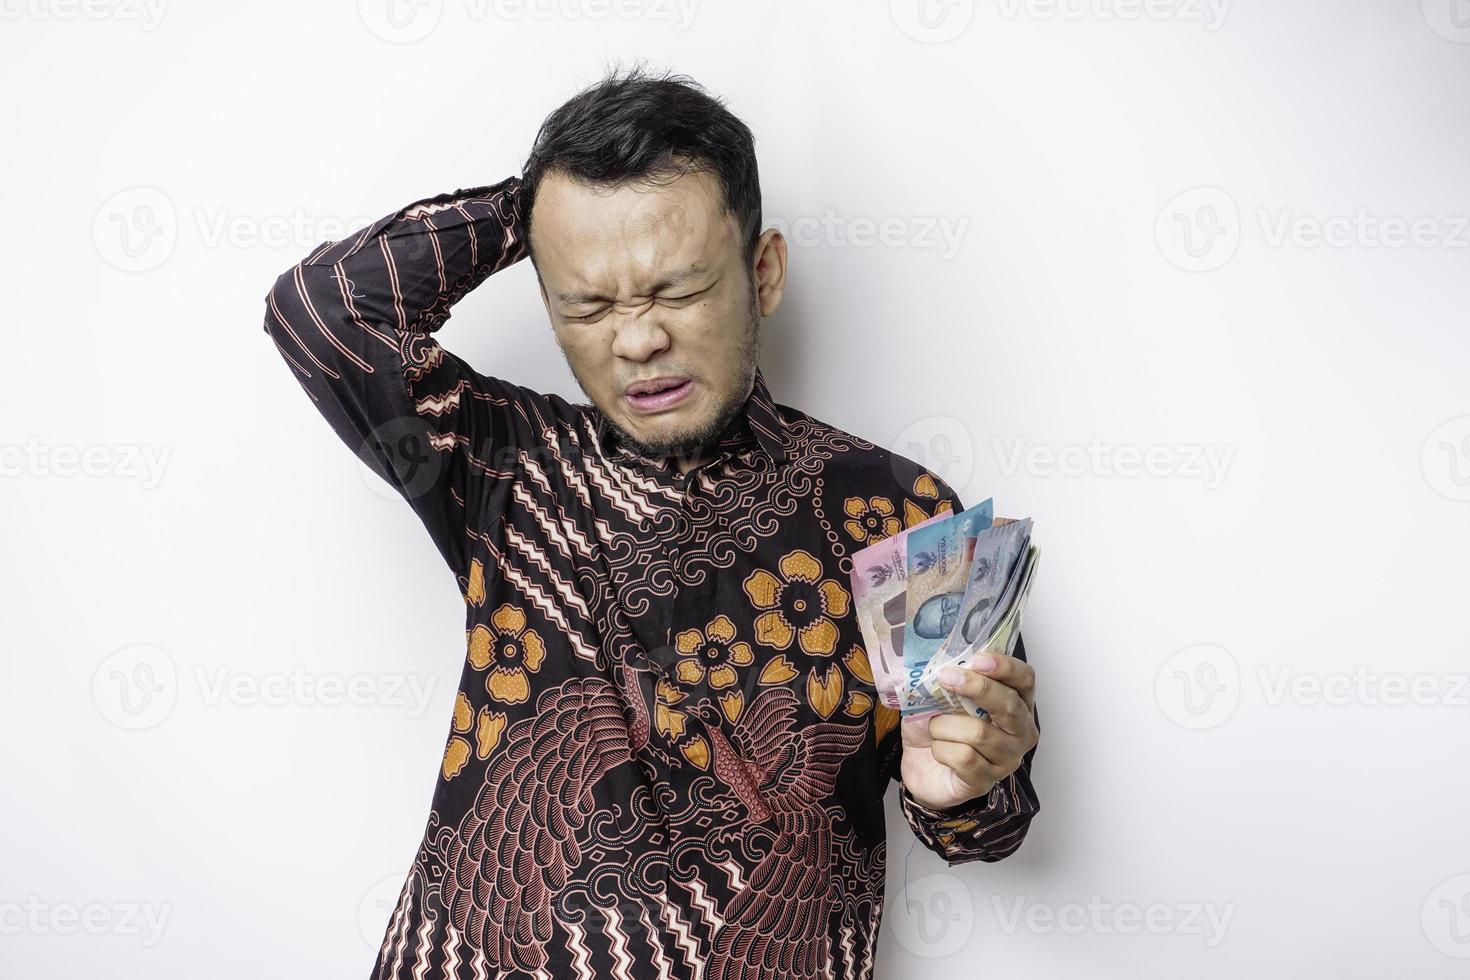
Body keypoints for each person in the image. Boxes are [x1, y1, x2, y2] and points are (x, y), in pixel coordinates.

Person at [261, 65, 1040, 980]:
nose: (635, 339)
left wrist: (966, 790)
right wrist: (545, 206)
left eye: (675, 291)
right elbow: (319, 311)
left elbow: (989, 826)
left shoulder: (904, 518)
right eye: (587, 304)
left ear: (764, 271)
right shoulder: (501, 469)